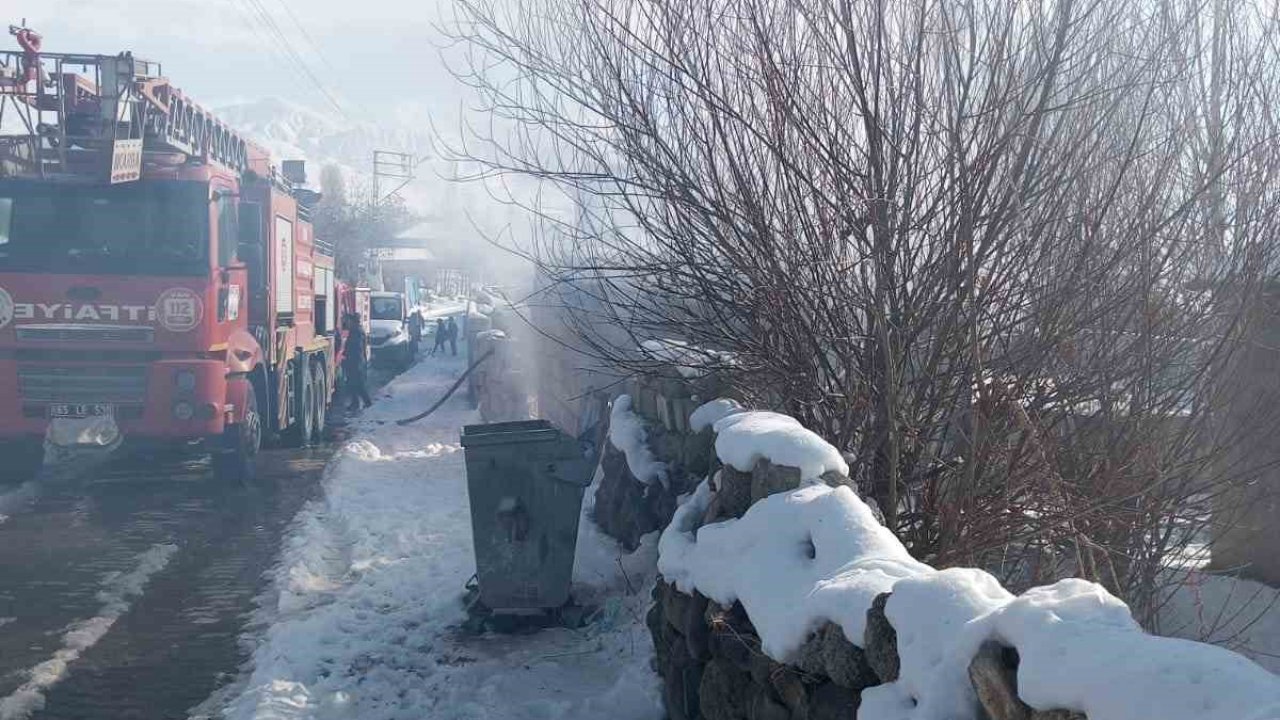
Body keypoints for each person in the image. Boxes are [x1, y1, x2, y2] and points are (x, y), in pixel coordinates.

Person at [342, 313, 373, 411]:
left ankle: (367, 403)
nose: (348, 323)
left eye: (350, 321)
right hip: (356, 361)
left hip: (355, 362)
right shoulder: (357, 330)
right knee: (354, 384)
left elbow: (356, 348)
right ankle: (357, 403)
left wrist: (348, 357)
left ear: (353, 321)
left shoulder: (356, 332)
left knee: (357, 384)